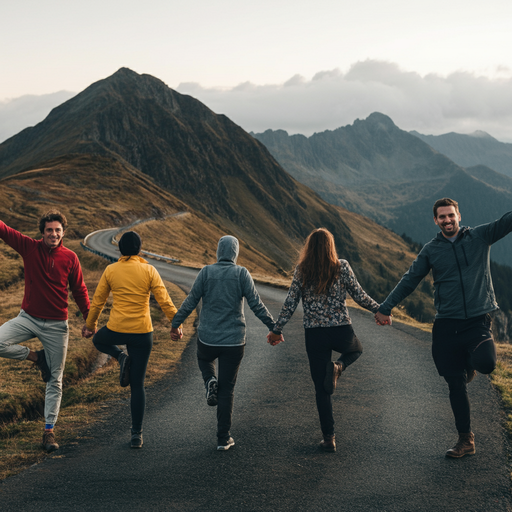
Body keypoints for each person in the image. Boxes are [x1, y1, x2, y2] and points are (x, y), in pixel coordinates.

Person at [375, 198, 512, 458]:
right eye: (442, 217)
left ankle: (469, 365)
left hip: (477, 320)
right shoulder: (431, 250)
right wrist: (386, 306)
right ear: (436, 221)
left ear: (459, 215)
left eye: (451, 215)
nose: (447, 220)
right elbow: (410, 280)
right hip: (447, 323)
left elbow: (507, 222)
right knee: (455, 384)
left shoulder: (480, 236)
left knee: (486, 363)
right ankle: (465, 439)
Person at [268, 228, 380, 453]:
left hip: (315, 334)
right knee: (355, 350)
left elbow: (290, 302)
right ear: (331, 246)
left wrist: (276, 329)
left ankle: (329, 438)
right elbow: (359, 295)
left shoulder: (303, 270)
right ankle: (338, 366)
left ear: (309, 247)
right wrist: (380, 309)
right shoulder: (342, 266)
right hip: (341, 329)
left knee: (322, 388)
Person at [170, 235, 279, 451]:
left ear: (219, 251)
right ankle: (223, 438)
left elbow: (191, 300)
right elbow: (256, 304)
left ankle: (210, 379)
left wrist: (176, 323)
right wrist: (274, 328)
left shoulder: (206, 272)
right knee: (227, 389)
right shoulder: (241, 274)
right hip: (234, 341)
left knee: (203, 358)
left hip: (208, 338)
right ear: (235, 253)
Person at [0, 210, 90, 452]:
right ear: (42, 232)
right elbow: (5, 231)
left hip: (57, 325)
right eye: (49, 230)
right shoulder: (29, 248)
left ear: (63, 233)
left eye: (57, 230)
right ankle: (36, 357)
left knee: (55, 379)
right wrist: (34, 356)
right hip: (27, 318)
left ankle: (49, 431)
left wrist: (89, 320)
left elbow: (79, 290)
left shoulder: (70, 258)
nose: (53, 234)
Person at [82, 231, 180, 449]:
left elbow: (98, 301)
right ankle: (137, 434)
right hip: (143, 333)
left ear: (120, 250)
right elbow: (164, 299)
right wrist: (176, 324)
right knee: (137, 385)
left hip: (116, 329)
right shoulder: (149, 270)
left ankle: (119, 356)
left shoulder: (111, 270)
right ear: (139, 250)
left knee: (99, 339)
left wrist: (90, 326)